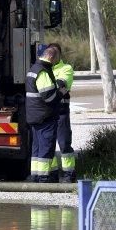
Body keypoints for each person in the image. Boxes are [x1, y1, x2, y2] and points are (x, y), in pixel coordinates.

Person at [26, 45, 65, 182]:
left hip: (35, 116)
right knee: (46, 148)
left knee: (37, 149)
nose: (56, 62)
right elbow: (48, 96)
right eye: (57, 60)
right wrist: (61, 92)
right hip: (45, 117)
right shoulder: (43, 71)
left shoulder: (34, 69)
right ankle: (43, 179)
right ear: (51, 57)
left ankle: (36, 176)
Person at [49, 43, 75, 182]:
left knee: (64, 144)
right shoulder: (44, 69)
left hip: (61, 112)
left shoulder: (66, 68)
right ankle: (52, 174)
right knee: (49, 144)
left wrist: (46, 88)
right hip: (47, 113)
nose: (53, 56)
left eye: (55, 53)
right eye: (50, 53)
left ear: (59, 55)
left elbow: (62, 85)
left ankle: (69, 175)